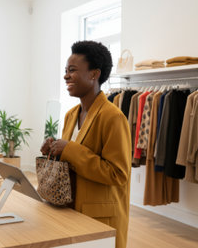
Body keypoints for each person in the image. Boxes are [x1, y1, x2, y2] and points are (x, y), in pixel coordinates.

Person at [40, 41, 131, 248]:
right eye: (65, 70)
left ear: (93, 74)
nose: (66, 76)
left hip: (98, 216)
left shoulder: (113, 117)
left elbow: (118, 174)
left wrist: (70, 149)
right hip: (68, 207)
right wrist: (53, 150)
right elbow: (70, 163)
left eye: (72, 70)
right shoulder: (71, 115)